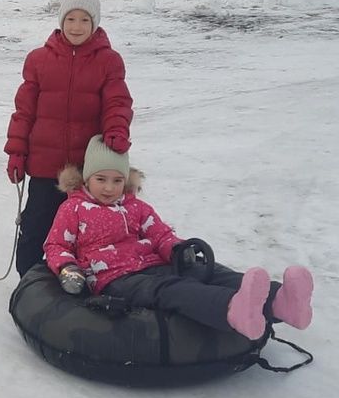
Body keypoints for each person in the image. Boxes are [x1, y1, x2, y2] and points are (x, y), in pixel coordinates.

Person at [44, 136, 315, 340]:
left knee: (206, 273)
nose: (109, 188)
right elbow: (56, 245)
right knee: (172, 290)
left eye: (117, 181)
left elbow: (159, 233)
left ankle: (282, 301)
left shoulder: (136, 206)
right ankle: (231, 308)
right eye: (101, 179)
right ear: (87, 178)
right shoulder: (74, 208)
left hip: (153, 264)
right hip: (114, 277)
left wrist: (175, 249)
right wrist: (68, 268)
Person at [5, 0, 133, 277]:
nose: (77, 26)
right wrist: (16, 153)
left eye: (84, 20)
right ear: (61, 21)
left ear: (95, 23)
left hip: (85, 169)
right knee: (36, 226)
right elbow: (24, 112)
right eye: (71, 19)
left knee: (80, 229)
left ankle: (75, 279)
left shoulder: (108, 61)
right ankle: (31, 282)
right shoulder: (39, 60)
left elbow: (117, 102)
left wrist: (116, 130)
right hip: (43, 167)